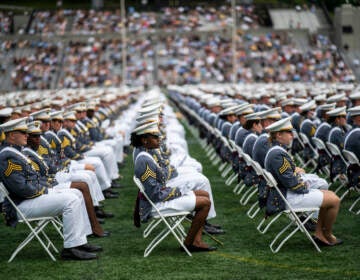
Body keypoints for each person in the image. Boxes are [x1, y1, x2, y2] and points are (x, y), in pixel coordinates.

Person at [0, 117, 101, 260]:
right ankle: (70, 248)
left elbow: (32, 179)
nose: (27, 135)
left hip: (31, 197)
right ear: (11, 135)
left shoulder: (16, 151)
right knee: (71, 200)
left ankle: (80, 241)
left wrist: (46, 187)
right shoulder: (7, 156)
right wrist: (45, 190)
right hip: (21, 204)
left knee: (77, 193)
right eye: (22, 132)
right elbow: (21, 188)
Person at [131, 121, 217, 252]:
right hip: (157, 205)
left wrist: (178, 190)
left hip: (160, 198)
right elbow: (155, 195)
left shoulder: (148, 153)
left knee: (203, 194)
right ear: (144, 140)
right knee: (205, 203)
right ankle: (189, 243)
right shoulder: (144, 160)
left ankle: (196, 240)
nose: (158, 138)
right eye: (154, 137)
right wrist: (180, 191)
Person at [264, 117, 342, 246]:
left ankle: (320, 234)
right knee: (335, 200)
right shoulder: (277, 154)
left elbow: (290, 177)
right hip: (288, 197)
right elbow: (292, 183)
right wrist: (308, 188)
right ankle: (327, 234)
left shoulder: (276, 150)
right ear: (278, 135)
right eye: (288, 132)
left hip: (287, 193)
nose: (292, 135)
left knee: (328, 195)